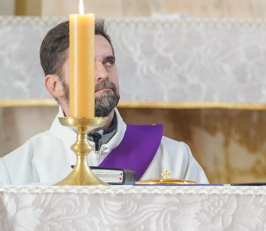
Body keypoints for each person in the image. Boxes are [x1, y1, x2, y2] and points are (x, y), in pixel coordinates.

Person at [0, 19, 208, 185]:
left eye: (109, 62)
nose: (103, 73)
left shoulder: (175, 158)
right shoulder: (14, 172)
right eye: (85, 64)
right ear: (55, 85)